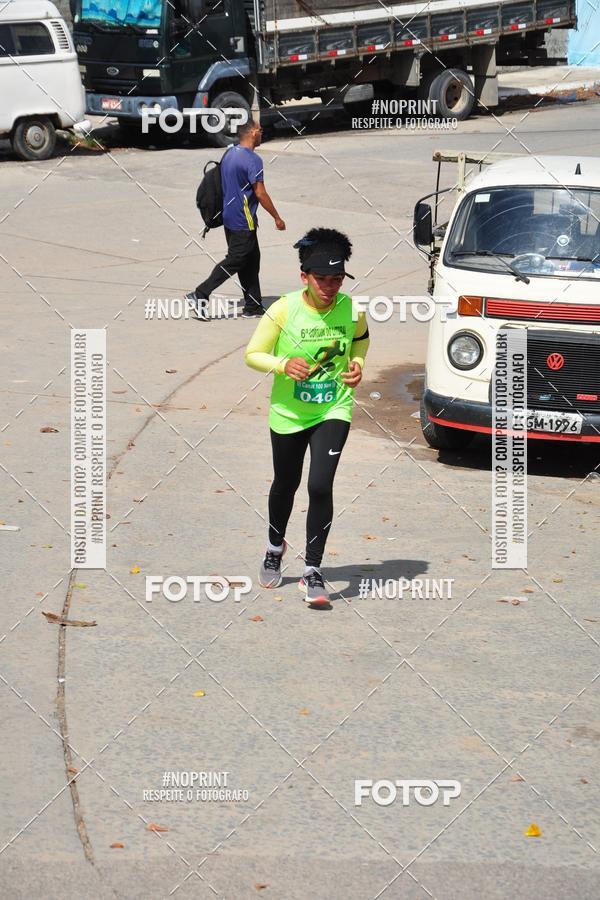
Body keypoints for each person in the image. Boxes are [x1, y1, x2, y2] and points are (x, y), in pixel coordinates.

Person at [245, 227, 370, 608]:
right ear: (305, 277)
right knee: (286, 481)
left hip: (333, 408)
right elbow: (253, 354)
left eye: (336, 279)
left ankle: (313, 570)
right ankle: (273, 546)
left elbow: (361, 339)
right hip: (289, 412)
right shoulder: (283, 309)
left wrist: (358, 364)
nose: (330, 286)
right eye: (322, 279)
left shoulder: (352, 309)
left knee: (320, 486)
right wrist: (283, 364)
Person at [186, 120, 286, 321]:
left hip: (229, 216)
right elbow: (260, 193)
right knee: (237, 259)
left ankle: (253, 306)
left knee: (251, 260)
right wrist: (277, 217)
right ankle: (200, 293)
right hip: (243, 219)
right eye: (261, 130)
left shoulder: (230, 153)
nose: (262, 133)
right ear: (253, 132)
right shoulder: (253, 160)